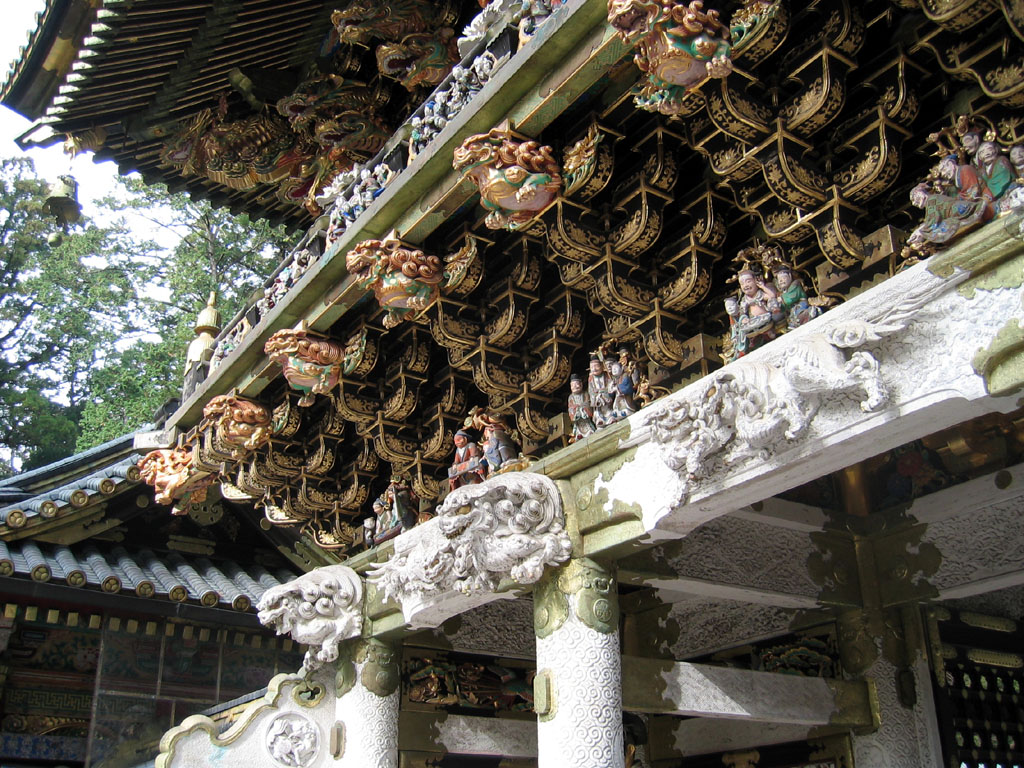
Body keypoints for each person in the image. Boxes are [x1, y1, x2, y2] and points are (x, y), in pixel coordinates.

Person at [586, 355, 614, 427]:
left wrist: (604, 391)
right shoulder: (591, 378)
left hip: (606, 396)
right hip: (597, 398)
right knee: (598, 411)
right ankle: (600, 420)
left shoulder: (606, 375)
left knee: (608, 411)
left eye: (596, 366)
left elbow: (610, 384)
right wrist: (595, 396)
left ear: (602, 366)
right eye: (592, 367)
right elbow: (591, 390)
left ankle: (610, 418)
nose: (594, 369)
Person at [567, 373, 596, 441]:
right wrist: (575, 409)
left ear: (581, 384)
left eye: (577, 384)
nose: (575, 386)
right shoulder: (570, 397)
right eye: (573, 385)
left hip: (585, 416)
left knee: (589, 428)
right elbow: (570, 407)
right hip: (578, 418)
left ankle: (589, 431)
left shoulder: (585, 393)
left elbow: (588, 403)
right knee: (578, 428)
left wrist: (582, 408)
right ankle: (579, 434)